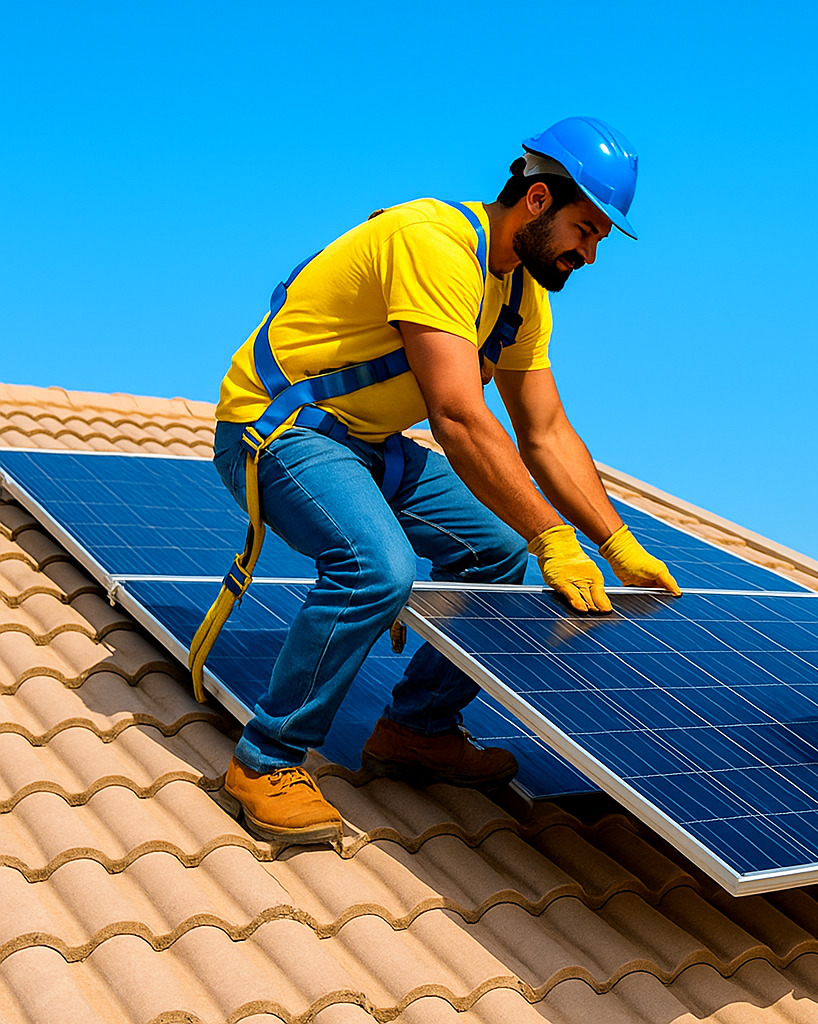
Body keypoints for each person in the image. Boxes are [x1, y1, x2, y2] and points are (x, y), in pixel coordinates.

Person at [204, 116, 680, 845]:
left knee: (502, 555)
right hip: (277, 433)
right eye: (586, 231)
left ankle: (416, 729)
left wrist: (616, 543)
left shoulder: (523, 299)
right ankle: (265, 760)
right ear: (538, 200)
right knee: (376, 568)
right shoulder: (433, 244)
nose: (590, 253)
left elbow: (546, 432)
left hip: (369, 445)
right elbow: (457, 417)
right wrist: (554, 532)